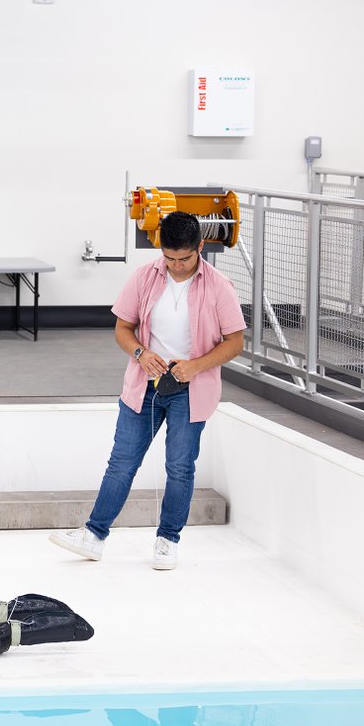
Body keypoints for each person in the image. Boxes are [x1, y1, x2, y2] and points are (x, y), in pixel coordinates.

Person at [50, 211, 245, 570]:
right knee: (121, 463)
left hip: (191, 389)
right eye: (169, 258)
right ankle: (93, 536)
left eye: (184, 258)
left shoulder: (219, 286)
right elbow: (123, 328)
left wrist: (195, 366)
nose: (177, 266)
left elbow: (235, 342)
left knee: (180, 467)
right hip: (145, 386)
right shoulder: (144, 277)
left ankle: (168, 540)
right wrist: (141, 353)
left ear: (200, 248)